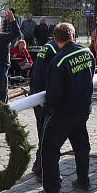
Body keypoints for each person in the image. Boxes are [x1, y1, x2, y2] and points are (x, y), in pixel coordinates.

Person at [39, 23, 96, 193]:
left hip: (63, 112)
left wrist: (46, 107)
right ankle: (83, 180)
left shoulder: (58, 62)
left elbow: (54, 94)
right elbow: (90, 76)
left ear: (55, 39)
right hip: (83, 109)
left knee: (48, 148)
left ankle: (52, 190)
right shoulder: (87, 53)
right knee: (81, 145)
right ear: (73, 35)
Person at [29, 36, 58, 181]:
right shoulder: (55, 50)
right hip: (44, 99)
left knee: (43, 132)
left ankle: (38, 164)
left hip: (36, 94)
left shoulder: (46, 46)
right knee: (48, 135)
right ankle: (42, 169)